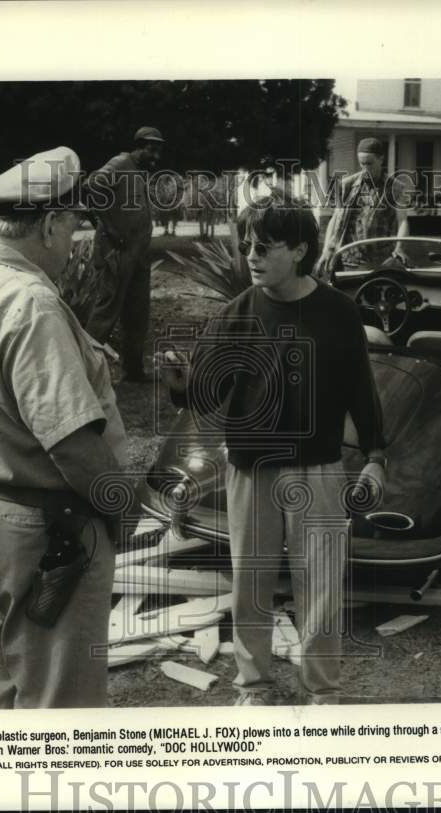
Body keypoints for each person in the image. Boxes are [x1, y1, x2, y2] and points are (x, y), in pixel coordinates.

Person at [156, 192, 386, 705]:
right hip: (250, 471)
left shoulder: (339, 313)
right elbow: (206, 398)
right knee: (251, 583)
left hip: (319, 468)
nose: (252, 256)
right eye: (247, 246)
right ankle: (254, 685)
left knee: (321, 585)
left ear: (301, 250)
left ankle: (322, 691)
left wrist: (375, 455)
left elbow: (361, 392)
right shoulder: (234, 316)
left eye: (265, 246)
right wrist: (178, 382)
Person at [0, 146, 129, 709]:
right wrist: (122, 508)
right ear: (50, 223)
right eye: (72, 227)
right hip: (47, 526)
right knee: (61, 707)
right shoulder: (31, 301)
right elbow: (73, 446)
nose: (73, 244)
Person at [84, 126, 165, 382]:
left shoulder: (140, 172)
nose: (155, 155)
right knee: (105, 312)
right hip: (115, 252)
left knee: (137, 312)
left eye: (158, 150)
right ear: (139, 146)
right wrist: (107, 227)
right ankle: (83, 373)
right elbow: (89, 189)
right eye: (151, 149)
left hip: (138, 254)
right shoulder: (120, 163)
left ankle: (133, 370)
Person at [315, 137, 411, 282]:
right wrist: (326, 250)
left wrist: (399, 248)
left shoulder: (395, 187)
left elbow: (402, 220)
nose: (366, 168)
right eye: (362, 164)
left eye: (370, 164)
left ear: (381, 159)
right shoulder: (346, 186)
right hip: (350, 261)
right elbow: (335, 219)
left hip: (381, 261)